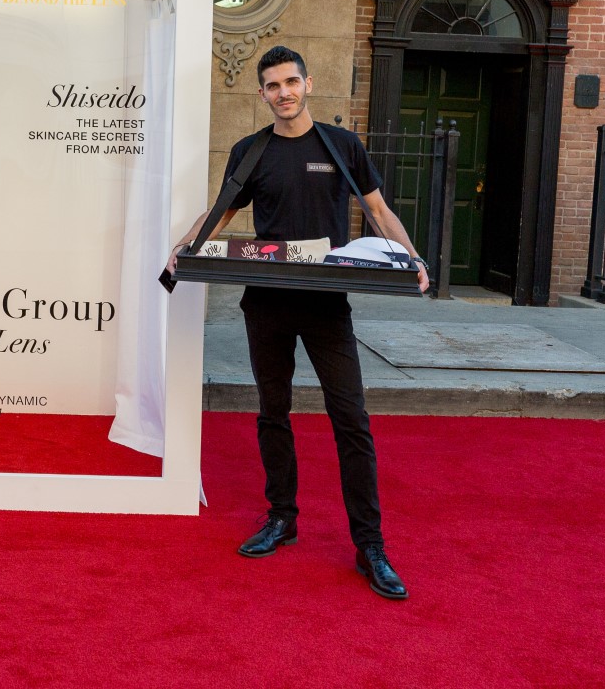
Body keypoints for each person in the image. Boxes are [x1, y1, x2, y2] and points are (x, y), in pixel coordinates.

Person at [168, 45, 427, 600]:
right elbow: (220, 216)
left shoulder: (342, 146)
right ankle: (281, 518)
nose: (283, 93)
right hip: (267, 300)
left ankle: (370, 545)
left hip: (327, 302)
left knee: (351, 417)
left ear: (308, 84)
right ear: (261, 94)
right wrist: (182, 249)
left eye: (291, 82)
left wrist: (414, 259)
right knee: (273, 411)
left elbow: (379, 212)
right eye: (272, 86)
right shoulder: (251, 151)